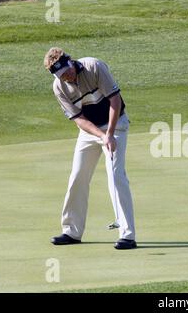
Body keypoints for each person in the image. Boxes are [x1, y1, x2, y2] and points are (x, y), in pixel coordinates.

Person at [44, 47, 137, 250]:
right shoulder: (59, 86)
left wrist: (110, 134)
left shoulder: (94, 66)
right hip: (90, 131)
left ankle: (128, 235)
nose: (66, 77)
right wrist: (102, 136)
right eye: (61, 75)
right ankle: (72, 231)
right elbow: (79, 119)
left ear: (71, 62)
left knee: (115, 174)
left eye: (67, 71)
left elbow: (115, 100)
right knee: (77, 176)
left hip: (116, 125)